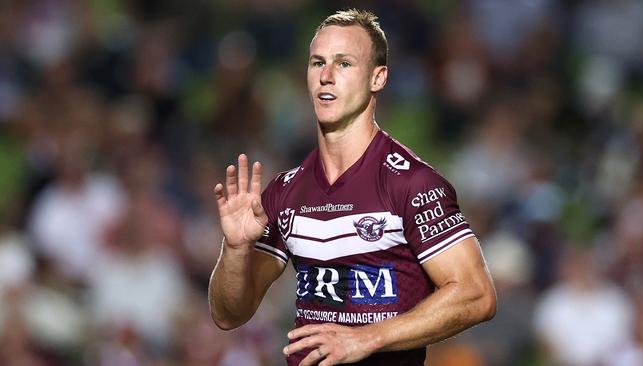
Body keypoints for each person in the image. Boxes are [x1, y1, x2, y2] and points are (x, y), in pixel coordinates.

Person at [208, 9, 496, 366]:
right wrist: (235, 249)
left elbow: (476, 295)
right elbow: (229, 314)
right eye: (317, 63)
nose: (326, 76)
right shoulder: (286, 191)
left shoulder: (411, 183)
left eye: (344, 64)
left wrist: (367, 339)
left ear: (378, 78)